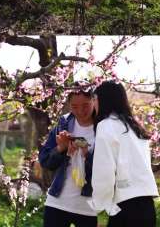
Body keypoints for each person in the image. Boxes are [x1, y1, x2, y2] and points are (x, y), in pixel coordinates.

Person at [90, 81, 159, 227]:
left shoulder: (106, 125)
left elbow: (104, 174)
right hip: (147, 206)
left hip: (125, 208)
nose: (93, 104)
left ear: (103, 100)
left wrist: (101, 211)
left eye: (94, 99)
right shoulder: (135, 127)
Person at [38, 88, 98, 227]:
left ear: (94, 101)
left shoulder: (103, 127)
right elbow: (45, 161)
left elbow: (105, 169)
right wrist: (61, 148)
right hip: (57, 202)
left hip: (88, 206)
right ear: (69, 105)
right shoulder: (63, 124)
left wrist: (86, 154)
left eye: (85, 105)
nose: (80, 111)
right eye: (75, 107)